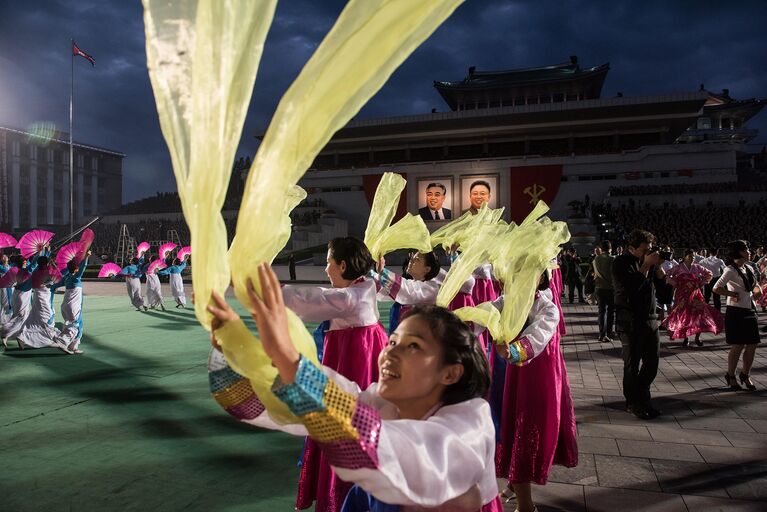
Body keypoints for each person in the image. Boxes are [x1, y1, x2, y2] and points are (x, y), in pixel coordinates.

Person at [206, 264, 502, 511]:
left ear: (450, 373)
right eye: (393, 342)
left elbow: (403, 451)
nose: (390, 353)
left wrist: (293, 364)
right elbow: (291, 409)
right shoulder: (382, 404)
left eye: (413, 346)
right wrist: (236, 352)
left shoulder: (472, 424)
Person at [281, 237, 388, 511]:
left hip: (352, 368)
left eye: (329, 262)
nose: (326, 269)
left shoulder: (350, 298)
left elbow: (309, 299)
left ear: (342, 265)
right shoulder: (364, 286)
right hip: (358, 365)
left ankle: (342, 499)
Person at [494, 271, 578, 511]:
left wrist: (514, 351)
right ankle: (515, 484)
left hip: (535, 374)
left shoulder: (546, 306)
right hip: (510, 370)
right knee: (510, 423)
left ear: (539, 279)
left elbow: (539, 334)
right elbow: (487, 311)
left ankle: (526, 504)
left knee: (524, 428)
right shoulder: (509, 299)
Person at [612, 229, 665, 419]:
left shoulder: (649, 264)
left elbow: (663, 293)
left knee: (652, 363)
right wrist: (645, 266)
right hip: (630, 321)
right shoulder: (621, 263)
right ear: (631, 249)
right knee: (632, 364)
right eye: (644, 250)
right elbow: (630, 289)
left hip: (650, 319)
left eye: (649, 249)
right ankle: (633, 402)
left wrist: (659, 271)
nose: (648, 253)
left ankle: (643, 398)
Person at [714, 240, 762, 390]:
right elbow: (717, 288)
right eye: (747, 249)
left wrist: (758, 290)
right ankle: (731, 374)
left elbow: (753, 286)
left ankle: (745, 374)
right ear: (740, 252)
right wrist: (732, 293)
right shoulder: (731, 270)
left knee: (753, 344)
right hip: (736, 311)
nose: (750, 252)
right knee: (738, 345)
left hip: (749, 309)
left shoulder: (748, 268)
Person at [663, 249, 724, 347]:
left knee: (698, 314)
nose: (692, 258)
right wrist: (676, 283)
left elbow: (709, 274)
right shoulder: (678, 267)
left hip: (695, 294)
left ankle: (697, 338)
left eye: (694, 256)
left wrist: (701, 282)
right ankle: (686, 338)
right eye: (690, 256)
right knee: (684, 316)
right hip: (682, 295)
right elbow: (667, 275)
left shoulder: (697, 267)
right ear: (685, 257)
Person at [53, 252, 91, 354]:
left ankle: (73, 347)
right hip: (73, 307)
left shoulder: (66, 278)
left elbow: (55, 285)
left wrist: (48, 286)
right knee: (74, 326)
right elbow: (83, 267)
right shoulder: (75, 278)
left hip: (66, 306)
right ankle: (63, 341)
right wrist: (86, 257)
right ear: (76, 269)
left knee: (75, 324)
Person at [593, 240, 615, 342]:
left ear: (601, 249)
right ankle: (609, 333)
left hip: (599, 288)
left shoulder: (596, 259)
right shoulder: (613, 259)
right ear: (610, 249)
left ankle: (602, 334)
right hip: (610, 288)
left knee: (601, 311)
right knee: (610, 312)